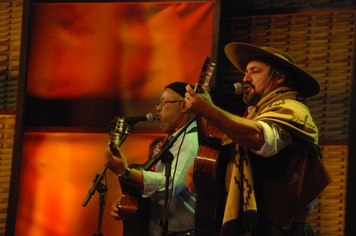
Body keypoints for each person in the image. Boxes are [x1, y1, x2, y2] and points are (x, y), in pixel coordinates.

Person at [184, 42, 332, 236]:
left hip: (282, 230)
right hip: (255, 227)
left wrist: (210, 111)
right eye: (245, 72)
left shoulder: (293, 109)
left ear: (279, 77)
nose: (245, 78)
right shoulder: (253, 115)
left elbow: (257, 137)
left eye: (255, 71)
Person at [105, 82, 199, 236]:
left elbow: (170, 186)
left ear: (184, 106)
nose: (158, 108)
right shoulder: (172, 140)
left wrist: (125, 172)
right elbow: (155, 193)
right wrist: (129, 201)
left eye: (164, 102)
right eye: (159, 102)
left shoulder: (189, 140)